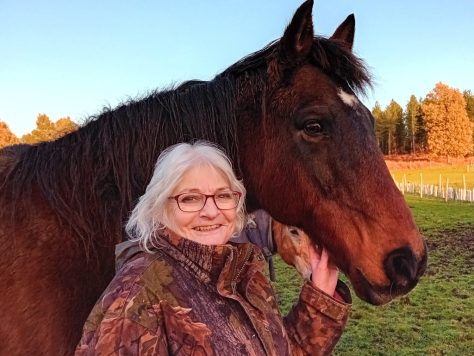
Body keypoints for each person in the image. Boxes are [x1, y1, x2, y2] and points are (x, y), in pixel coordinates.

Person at [75, 141, 352, 355]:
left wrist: (321, 299)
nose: (211, 211)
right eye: (191, 198)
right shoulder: (134, 295)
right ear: (160, 208)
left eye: (223, 196)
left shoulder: (245, 272)